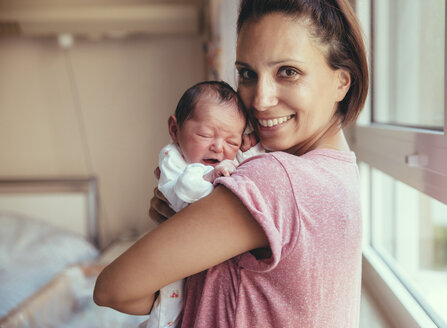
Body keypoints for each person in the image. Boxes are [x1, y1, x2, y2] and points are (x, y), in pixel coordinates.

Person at [94, 0, 369, 326]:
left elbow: (112, 288)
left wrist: (179, 226)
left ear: (342, 82)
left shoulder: (274, 179)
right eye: (248, 74)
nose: (260, 100)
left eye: (288, 72)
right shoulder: (338, 173)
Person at [145, 80, 262, 328]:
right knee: (167, 312)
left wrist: (253, 145)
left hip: (209, 264)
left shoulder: (225, 158)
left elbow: (255, 163)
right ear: (175, 130)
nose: (218, 147)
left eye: (232, 141)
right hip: (177, 259)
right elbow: (187, 190)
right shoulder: (172, 158)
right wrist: (216, 173)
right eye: (205, 135)